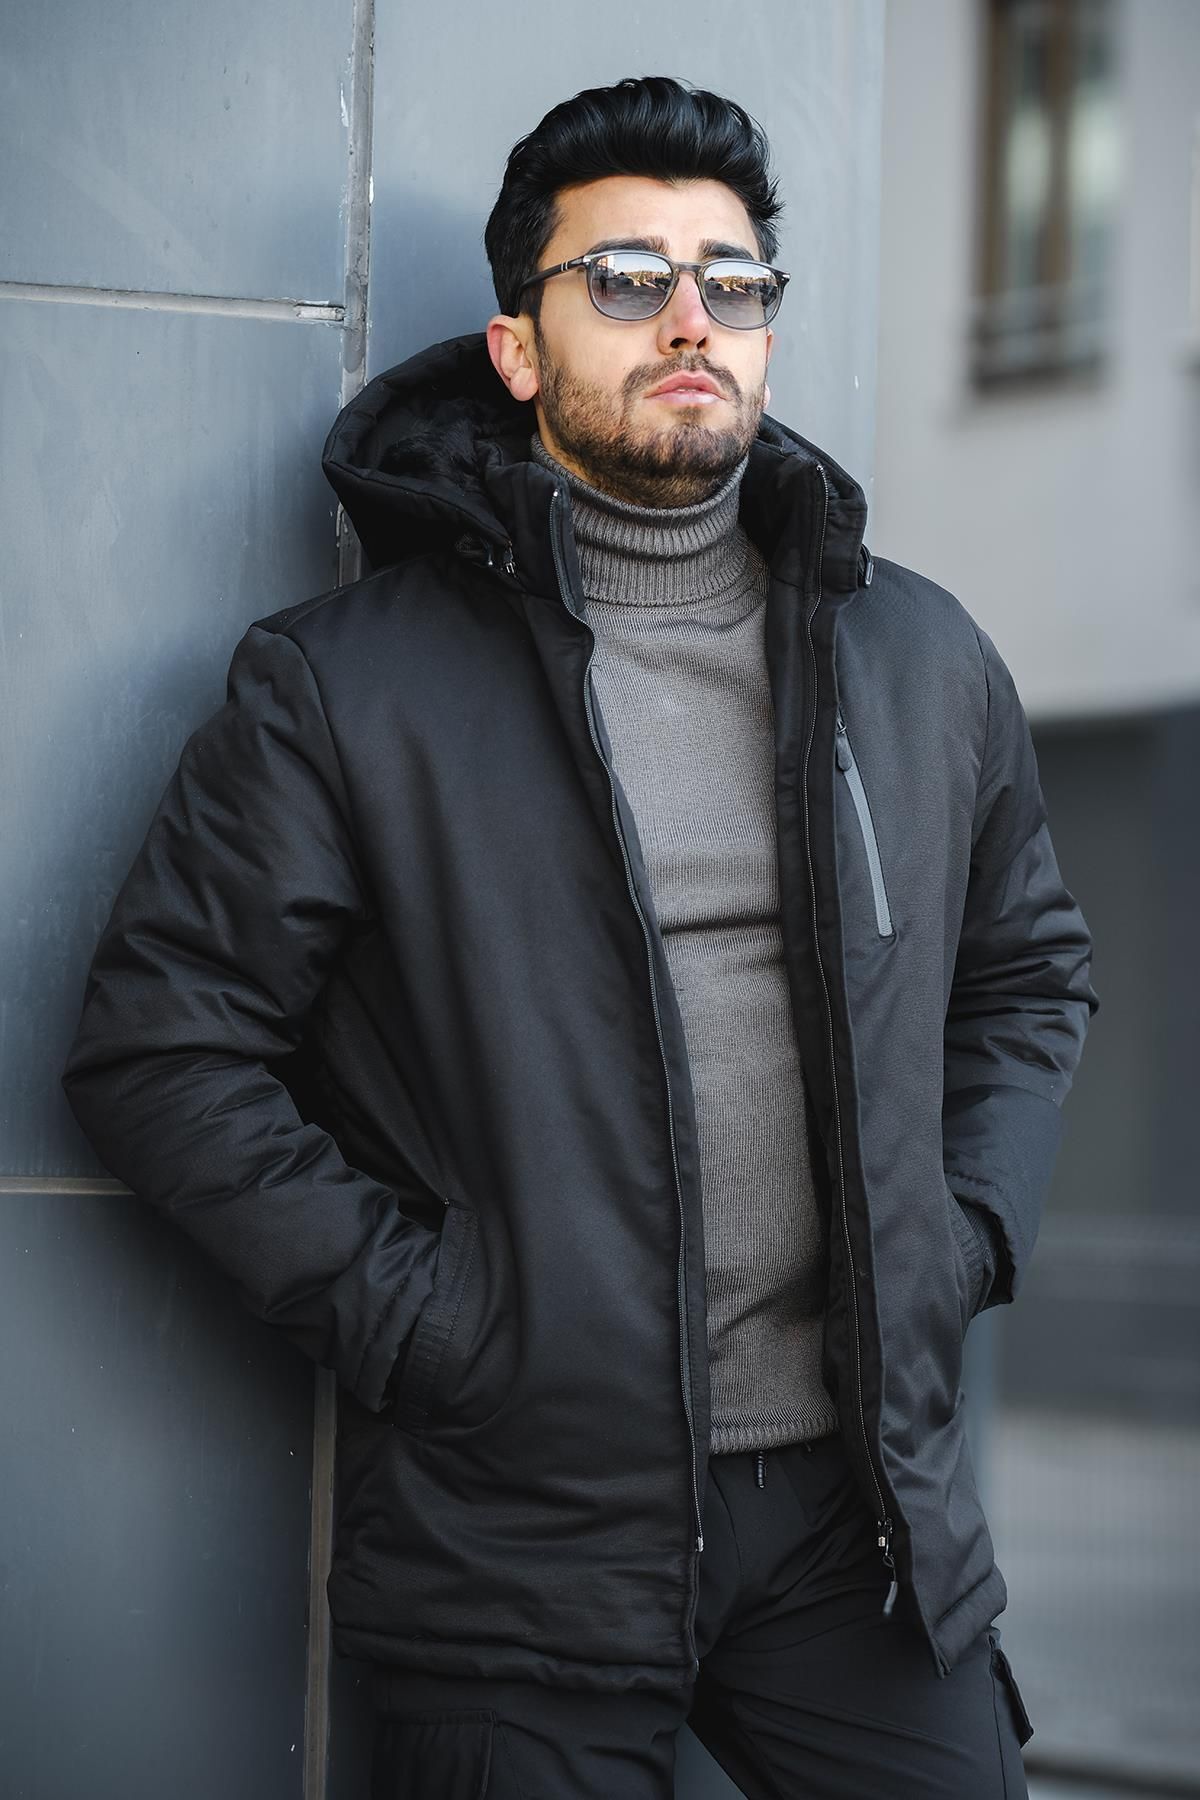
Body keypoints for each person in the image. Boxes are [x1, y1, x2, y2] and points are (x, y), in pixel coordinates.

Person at [62, 75, 1097, 1798]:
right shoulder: (348, 687)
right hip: (520, 1534)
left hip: (862, 1524)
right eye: (626, 278)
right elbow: (161, 1050)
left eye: (732, 282)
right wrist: (433, 1321)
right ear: (519, 351)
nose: (691, 317)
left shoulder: (921, 659)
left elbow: (1027, 973)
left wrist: (967, 1232)